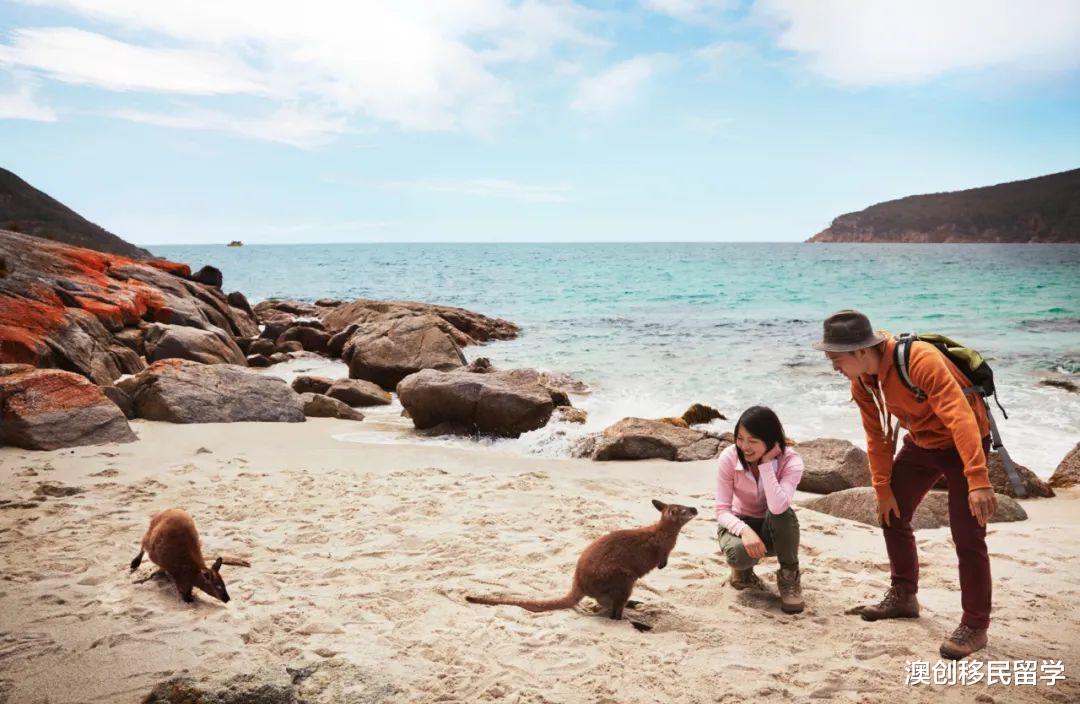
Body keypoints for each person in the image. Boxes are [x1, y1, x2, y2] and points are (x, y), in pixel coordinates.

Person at [814, 309, 996, 660]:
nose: (832, 366)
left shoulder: (919, 360)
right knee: (891, 512)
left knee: (968, 534)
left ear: (861, 352)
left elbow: (960, 417)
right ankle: (904, 595)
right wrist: (882, 488)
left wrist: (978, 478)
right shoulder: (863, 381)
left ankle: (975, 625)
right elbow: (877, 436)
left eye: (836, 358)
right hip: (922, 443)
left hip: (963, 444)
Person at [715, 405, 805, 614]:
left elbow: (778, 507)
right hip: (738, 524)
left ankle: (789, 578)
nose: (744, 446)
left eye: (753, 441)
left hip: (773, 526)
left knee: (783, 512)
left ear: (771, 440)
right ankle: (743, 573)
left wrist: (765, 464)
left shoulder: (791, 461)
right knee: (739, 555)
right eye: (740, 438)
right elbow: (722, 510)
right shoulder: (729, 457)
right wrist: (745, 531)